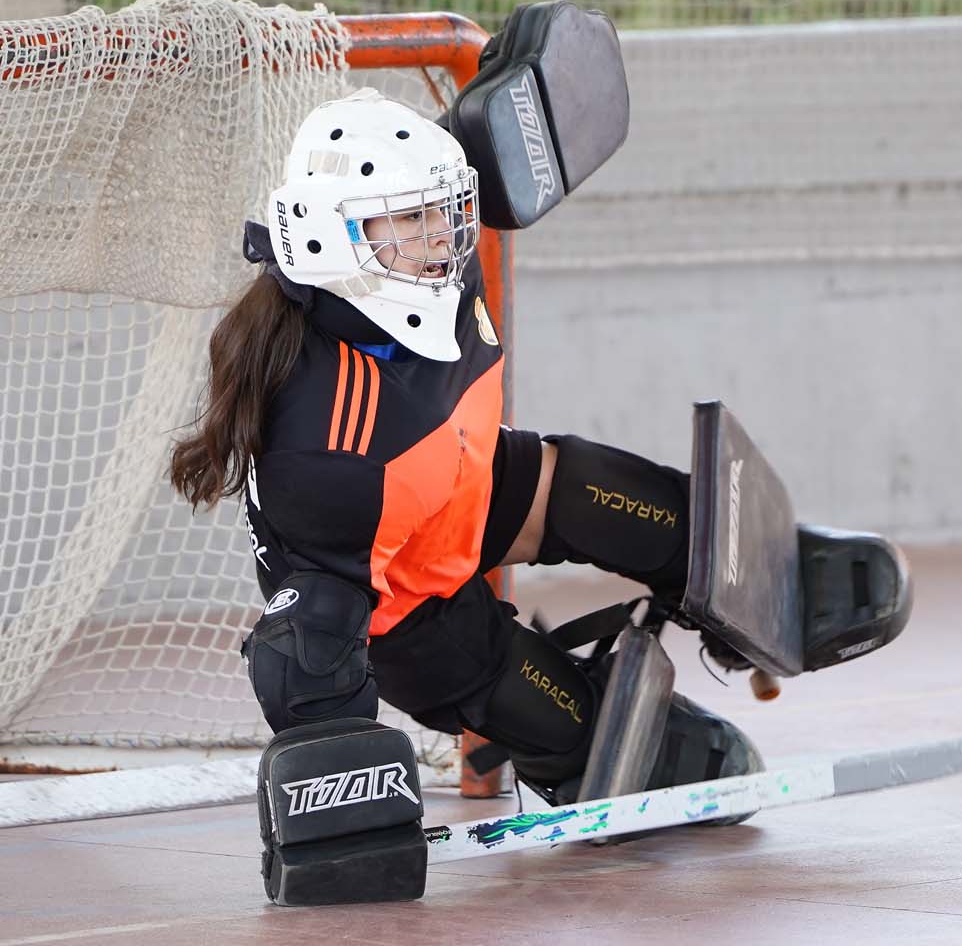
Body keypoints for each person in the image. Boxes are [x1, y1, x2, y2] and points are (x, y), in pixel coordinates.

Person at [170, 88, 761, 808]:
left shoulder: (432, 270)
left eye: (440, 211)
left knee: (647, 510)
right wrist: (340, 789)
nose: (441, 236)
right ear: (333, 239)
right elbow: (313, 638)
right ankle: (581, 741)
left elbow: (503, 130)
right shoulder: (327, 450)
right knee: (605, 735)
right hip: (416, 613)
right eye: (412, 219)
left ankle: (738, 593)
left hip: (465, 486)